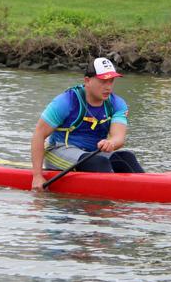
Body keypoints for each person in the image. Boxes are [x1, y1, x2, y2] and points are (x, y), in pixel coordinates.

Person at [30, 57, 144, 190]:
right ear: (87, 81)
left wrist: (111, 143)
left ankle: (147, 191)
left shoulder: (117, 104)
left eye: (111, 81)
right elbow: (39, 134)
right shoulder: (66, 101)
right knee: (99, 163)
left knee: (126, 158)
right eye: (103, 81)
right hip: (59, 150)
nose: (108, 87)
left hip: (93, 153)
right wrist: (37, 176)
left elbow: (119, 137)